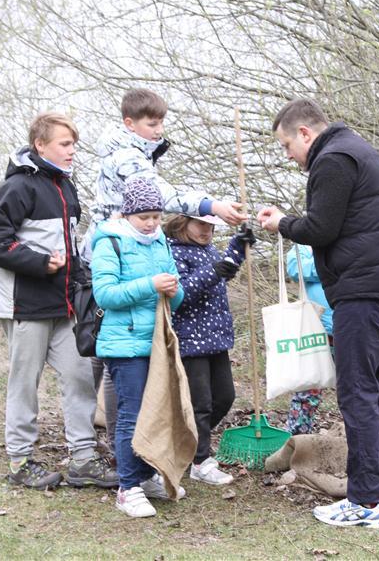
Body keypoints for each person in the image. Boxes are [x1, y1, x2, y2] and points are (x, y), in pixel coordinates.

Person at [257, 99, 379, 529]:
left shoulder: (331, 160)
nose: (288, 155)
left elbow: (320, 228)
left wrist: (282, 222)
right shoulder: (359, 150)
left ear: (305, 134)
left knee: (358, 394)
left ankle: (367, 501)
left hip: (362, 293)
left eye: (286, 145)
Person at [83, 88, 248, 459]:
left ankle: (121, 443)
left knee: (111, 359)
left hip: (133, 254)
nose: (159, 130)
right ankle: (111, 443)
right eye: (151, 123)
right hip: (114, 254)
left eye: (161, 123)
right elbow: (156, 192)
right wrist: (212, 205)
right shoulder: (126, 155)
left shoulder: (138, 151)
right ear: (130, 123)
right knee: (110, 358)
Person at [0, 112, 117, 490]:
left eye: (74, 144)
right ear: (41, 145)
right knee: (24, 383)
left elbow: (70, 246)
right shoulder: (18, 187)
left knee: (79, 377)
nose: (73, 151)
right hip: (24, 306)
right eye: (65, 144)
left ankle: (84, 460)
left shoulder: (65, 187)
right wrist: (40, 264)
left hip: (64, 306)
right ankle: (20, 462)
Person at [90, 177, 185, 518]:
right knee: (131, 415)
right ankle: (127, 487)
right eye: (144, 216)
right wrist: (150, 285)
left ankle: (146, 477)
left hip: (156, 343)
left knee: (156, 411)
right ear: (127, 213)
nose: (151, 223)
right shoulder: (109, 242)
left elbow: (177, 295)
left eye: (156, 216)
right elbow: (105, 294)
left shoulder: (161, 242)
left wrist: (175, 291)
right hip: (122, 345)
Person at [164, 213, 256, 486]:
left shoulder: (208, 250)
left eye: (211, 225)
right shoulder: (173, 252)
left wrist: (237, 249)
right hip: (191, 340)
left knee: (225, 397)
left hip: (216, 338)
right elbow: (180, 294)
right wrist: (215, 269)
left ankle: (189, 444)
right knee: (200, 403)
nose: (207, 230)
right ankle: (200, 460)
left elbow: (221, 271)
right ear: (183, 224)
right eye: (201, 224)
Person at [285, 244, 333, 436]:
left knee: (354, 388)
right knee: (308, 389)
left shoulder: (348, 238)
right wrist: (329, 264)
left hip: (348, 327)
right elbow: (295, 268)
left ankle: (360, 438)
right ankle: (296, 438)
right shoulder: (305, 246)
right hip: (317, 329)